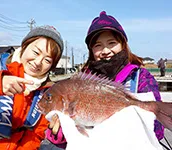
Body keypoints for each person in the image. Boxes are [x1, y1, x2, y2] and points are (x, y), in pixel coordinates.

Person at [40, 11, 165, 150]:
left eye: (111, 43)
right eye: (98, 45)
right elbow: (68, 138)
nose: (105, 50)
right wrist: (61, 133)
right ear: (91, 50)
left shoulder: (141, 77)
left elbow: (157, 132)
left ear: (123, 44)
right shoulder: (81, 79)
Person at [0, 25, 64, 149]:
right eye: (36, 52)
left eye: (47, 60)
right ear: (24, 46)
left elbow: (35, 136)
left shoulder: (46, 94)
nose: (38, 62)